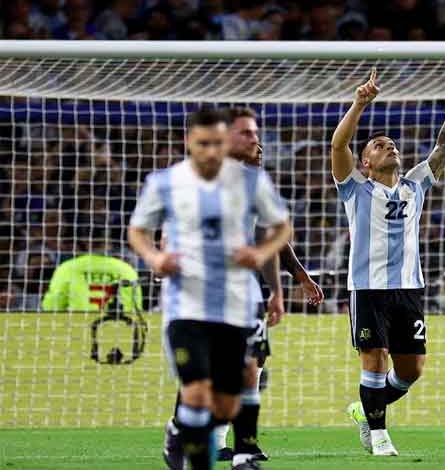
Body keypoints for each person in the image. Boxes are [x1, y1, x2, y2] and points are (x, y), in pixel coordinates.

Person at [128, 108, 293, 470]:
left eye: (217, 143)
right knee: (198, 392)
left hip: (237, 301)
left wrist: (261, 255)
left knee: (228, 402)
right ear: (190, 142)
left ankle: (178, 428)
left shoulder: (252, 182)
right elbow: (137, 230)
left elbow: (280, 228)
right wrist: (155, 259)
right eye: (203, 144)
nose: (210, 151)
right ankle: (232, 456)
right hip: (186, 304)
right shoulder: (165, 182)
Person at [161, 107, 324, 470]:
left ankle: (239, 447)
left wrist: (287, 284)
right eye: (249, 135)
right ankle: (184, 431)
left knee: (252, 362)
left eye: (258, 136)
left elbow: (269, 238)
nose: (258, 144)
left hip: (245, 286)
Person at [331, 66, 445, 456]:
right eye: (377, 145)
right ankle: (379, 436)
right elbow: (338, 148)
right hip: (369, 287)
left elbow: (443, 147)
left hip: (410, 287)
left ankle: (365, 410)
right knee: (374, 358)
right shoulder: (355, 188)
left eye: (391, 143)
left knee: (411, 370)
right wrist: (359, 103)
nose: (388, 146)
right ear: (366, 164)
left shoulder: (415, 185)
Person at [41, 228, 141, 313]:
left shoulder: (68, 268)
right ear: (108, 241)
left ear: (85, 241)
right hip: (117, 331)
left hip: (79, 330)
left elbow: (50, 307)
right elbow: (136, 307)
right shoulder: (126, 270)